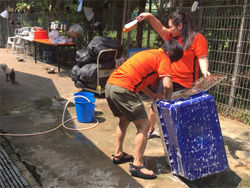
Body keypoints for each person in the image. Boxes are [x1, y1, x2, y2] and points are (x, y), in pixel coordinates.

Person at [105, 39, 183, 179]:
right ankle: (137, 165)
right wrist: (167, 102)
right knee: (144, 125)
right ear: (170, 53)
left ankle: (119, 155)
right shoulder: (163, 58)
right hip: (123, 88)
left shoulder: (150, 54)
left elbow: (140, 83)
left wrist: (153, 95)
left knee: (123, 121)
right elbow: (167, 85)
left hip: (111, 86)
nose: (171, 64)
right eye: (174, 60)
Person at [137, 11, 211, 139]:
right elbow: (160, 28)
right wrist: (149, 16)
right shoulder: (172, 37)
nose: (169, 29)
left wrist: (205, 71)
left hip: (187, 83)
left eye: (171, 26)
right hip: (168, 78)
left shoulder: (197, 39)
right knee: (156, 104)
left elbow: (202, 57)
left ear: (180, 26)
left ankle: (181, 135)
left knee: (182, 110)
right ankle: (150, 130)